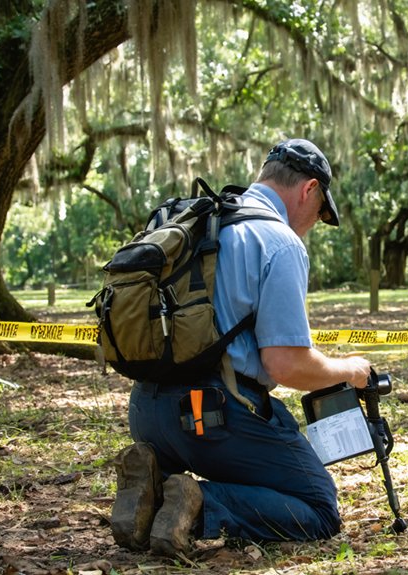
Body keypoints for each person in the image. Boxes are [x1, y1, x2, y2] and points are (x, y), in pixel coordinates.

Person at [110, 138, 373, 557]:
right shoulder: (280, 242)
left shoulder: (200, 219)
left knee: (271, 442)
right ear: (308, 189)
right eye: (321, 210)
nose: (315, 222)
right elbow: (286, 366)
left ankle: (154, 486)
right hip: (211, 417)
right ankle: (193, 504)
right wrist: (350, 371)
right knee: (320, 509)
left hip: (147, 411)